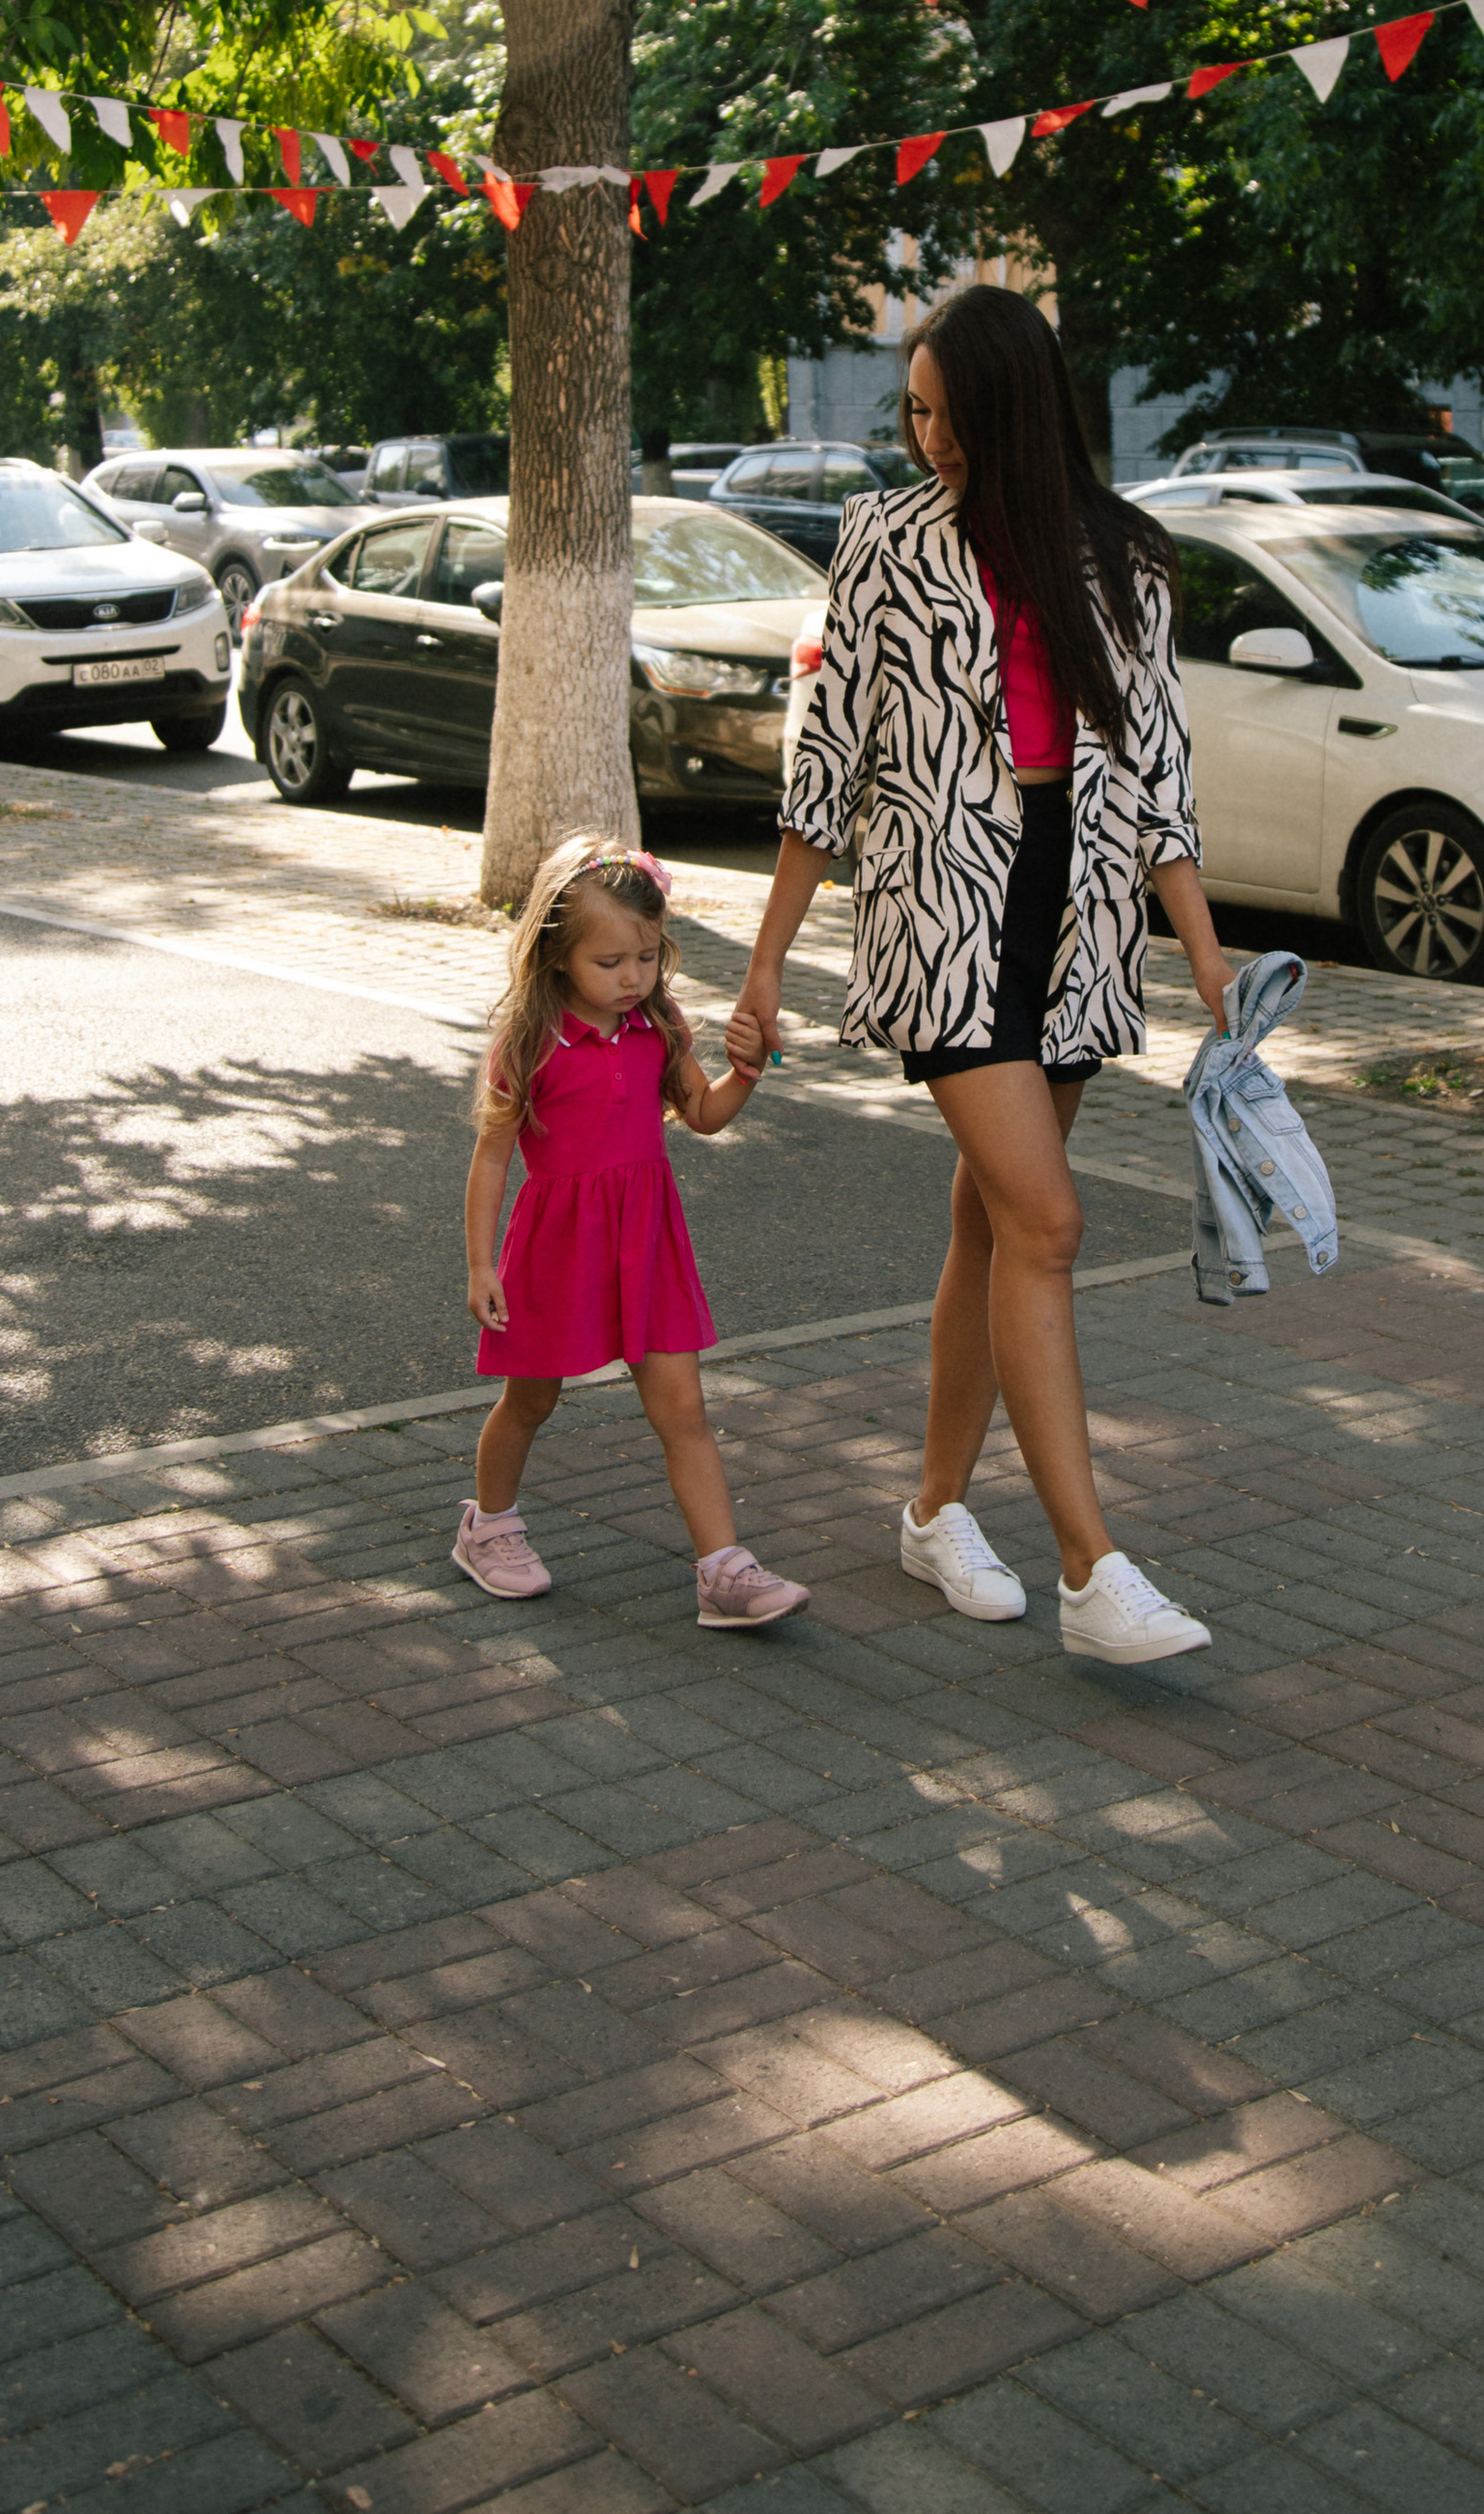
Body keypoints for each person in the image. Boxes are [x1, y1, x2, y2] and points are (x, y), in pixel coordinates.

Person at [724, 283, 1232, 1666]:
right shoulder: (884, 539)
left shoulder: (1122, 553)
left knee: (993, 1228)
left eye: (946, 413)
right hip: (941, 912)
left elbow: (1160, 763)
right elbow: (824, 760)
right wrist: (765, 964)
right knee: (1051, 1225)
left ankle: (937, 1511)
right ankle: (1094, 1569)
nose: (926, 436)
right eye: (914, 411)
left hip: (1076, 913)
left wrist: (1201, 948)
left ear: (1011, 409)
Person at [454, 836, 809, 1628]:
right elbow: (491, 1158)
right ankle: (489, 1528)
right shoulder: (529, 1040)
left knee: (683, 1407)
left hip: (648, 1242)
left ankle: (724, 1571)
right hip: (555, 1250)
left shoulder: (660, 1027)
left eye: (646, 957)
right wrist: (482, 1266)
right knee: (530, 1400)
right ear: (558, 958)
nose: (632, 977)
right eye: (609, 962)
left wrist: (749, 1070)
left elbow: (706, 1116)